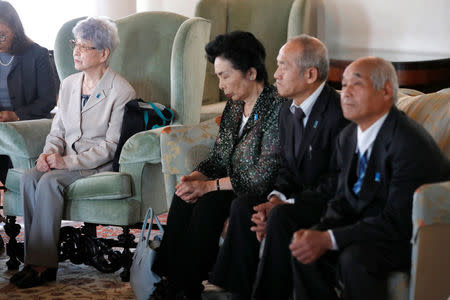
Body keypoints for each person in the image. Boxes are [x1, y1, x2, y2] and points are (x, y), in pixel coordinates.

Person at [287, 57, 450, 300]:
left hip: (412, 237)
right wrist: (319, 231)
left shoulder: (407, 142)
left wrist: (330, 238)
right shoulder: (348, 136)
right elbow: (342, 200)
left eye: (356, 84)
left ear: (385, 91)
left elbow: (397, 221)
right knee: (304, 248)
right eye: (343, 84)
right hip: (372, 228)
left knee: (355, 258)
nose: (345, 93)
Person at [210, 35, 349, 300]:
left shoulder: (338, 113)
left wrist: (285, 205)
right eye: (277, 64)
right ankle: (238, 290)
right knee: (243, 206)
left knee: (280, 217)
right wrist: (275, 197)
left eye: (284, 66)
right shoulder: (287, 111)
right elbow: (286, 168)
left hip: (326, 202)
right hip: (298, 199)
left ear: (310, 74)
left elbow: (336, 180)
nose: (275, 74)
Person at [152, 31, 286, 300]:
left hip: (262, 190)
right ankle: (174, 281)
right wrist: (194, 177)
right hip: (230, 185)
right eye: (218, 76)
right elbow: (219, 158)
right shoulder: (235, 107)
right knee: (185, 195)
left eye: (225, 75)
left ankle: (186, 286)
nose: (220, 84)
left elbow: (263, 175)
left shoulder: (277, 106)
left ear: (250, 72)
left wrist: (208, 187)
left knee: (208, 203)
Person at [9, 16, 135, 289]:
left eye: (84, 46)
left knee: (51, 182)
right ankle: (35, 261)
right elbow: (57, 130)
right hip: (65, 158)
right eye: (74, 44)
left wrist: (65, 162)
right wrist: (47, 154)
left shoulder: (121, 91)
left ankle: (42, 265)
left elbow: (112, 146)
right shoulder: (68, 85)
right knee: (31, 177)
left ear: (104, 54)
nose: (75, 51)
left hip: (94, 164)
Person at [0, 0, 57, 185]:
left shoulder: (37, 54)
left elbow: (48, 100)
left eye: (2, 35)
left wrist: (16, 116)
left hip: (27, 123)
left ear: (15, 30)